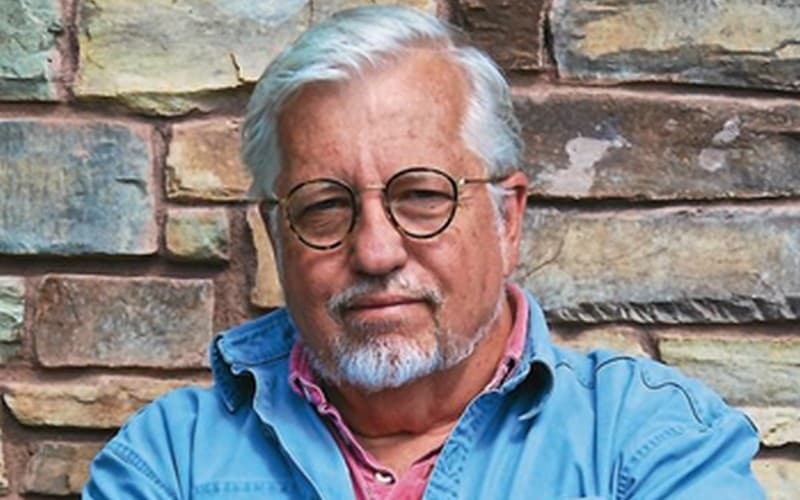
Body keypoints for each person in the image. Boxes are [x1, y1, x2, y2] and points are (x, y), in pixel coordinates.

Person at [83, 6, 764, 499]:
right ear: (275, 237)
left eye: (421, 196)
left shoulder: (648, 442)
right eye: (324, 207)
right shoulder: (169, 462)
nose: (376, 251)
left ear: (506, 218)